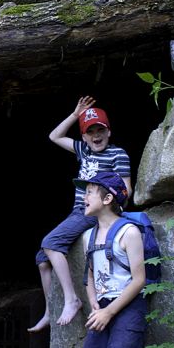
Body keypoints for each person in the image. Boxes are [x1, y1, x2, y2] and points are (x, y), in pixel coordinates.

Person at [49, 171, 147, 348]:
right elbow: (90, 275)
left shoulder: (129, 232)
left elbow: (139, 280)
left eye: (91, 192)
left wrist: (110, 311)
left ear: (108, 198)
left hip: (127, 306)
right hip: (102, 307)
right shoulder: (88, 235)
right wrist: (95, 305)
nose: (85, 197)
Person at [28, 97, 131, 332]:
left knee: (50, 242)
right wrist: (75, 115)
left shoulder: (118, 154)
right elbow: (54, 136)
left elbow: (127, 189)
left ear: (109, 132)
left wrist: (105, 203)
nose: (96, 135)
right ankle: (49, 311)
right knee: (42, 260)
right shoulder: (84, 149)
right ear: (84, 136)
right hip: (78, 211)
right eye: (90, 131)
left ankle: (71, 299)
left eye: (100, 130)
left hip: (96, 212)